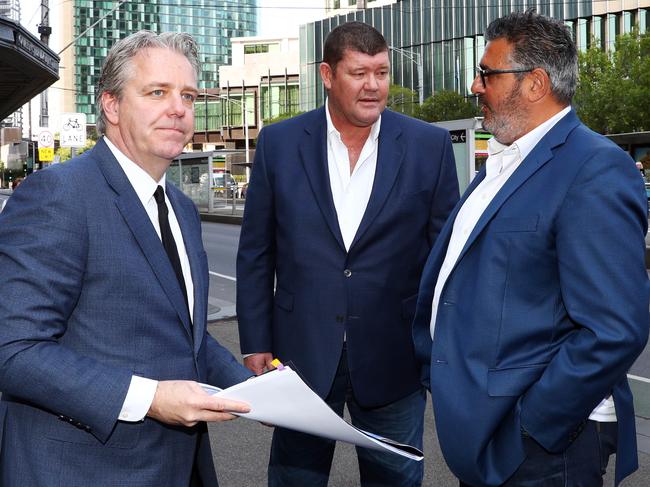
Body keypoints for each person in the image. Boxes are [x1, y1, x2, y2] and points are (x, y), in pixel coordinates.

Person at [0, 31, 253, 486]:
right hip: (84, 470)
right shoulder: (60, 195)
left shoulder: (181, 208)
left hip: (177, 467)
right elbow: (14, 350)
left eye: (188, 95)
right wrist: (151, 398)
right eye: (157, 92)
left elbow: (185, 335)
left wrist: (255, 390)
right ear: (112, 106)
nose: (178, 108)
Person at [411, 10, 649, 487]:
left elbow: (615, 328)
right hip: (488, 431)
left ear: (536, 83)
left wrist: (532, 424)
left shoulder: (594, 169)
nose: (476, 87)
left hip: (541, 447)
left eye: (487, 74)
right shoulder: (502, 164)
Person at [237, 21, 459, 487]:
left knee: (396, 479)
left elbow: (444, 261)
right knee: (294, 479)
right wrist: (255, 342)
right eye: (359, 73)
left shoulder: (428, 146)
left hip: (393, 359)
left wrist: (439, 348)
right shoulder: (279, 143)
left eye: (381, 72)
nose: (373, 86)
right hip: (299, 360)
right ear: (327, 74)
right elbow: (257, 252)